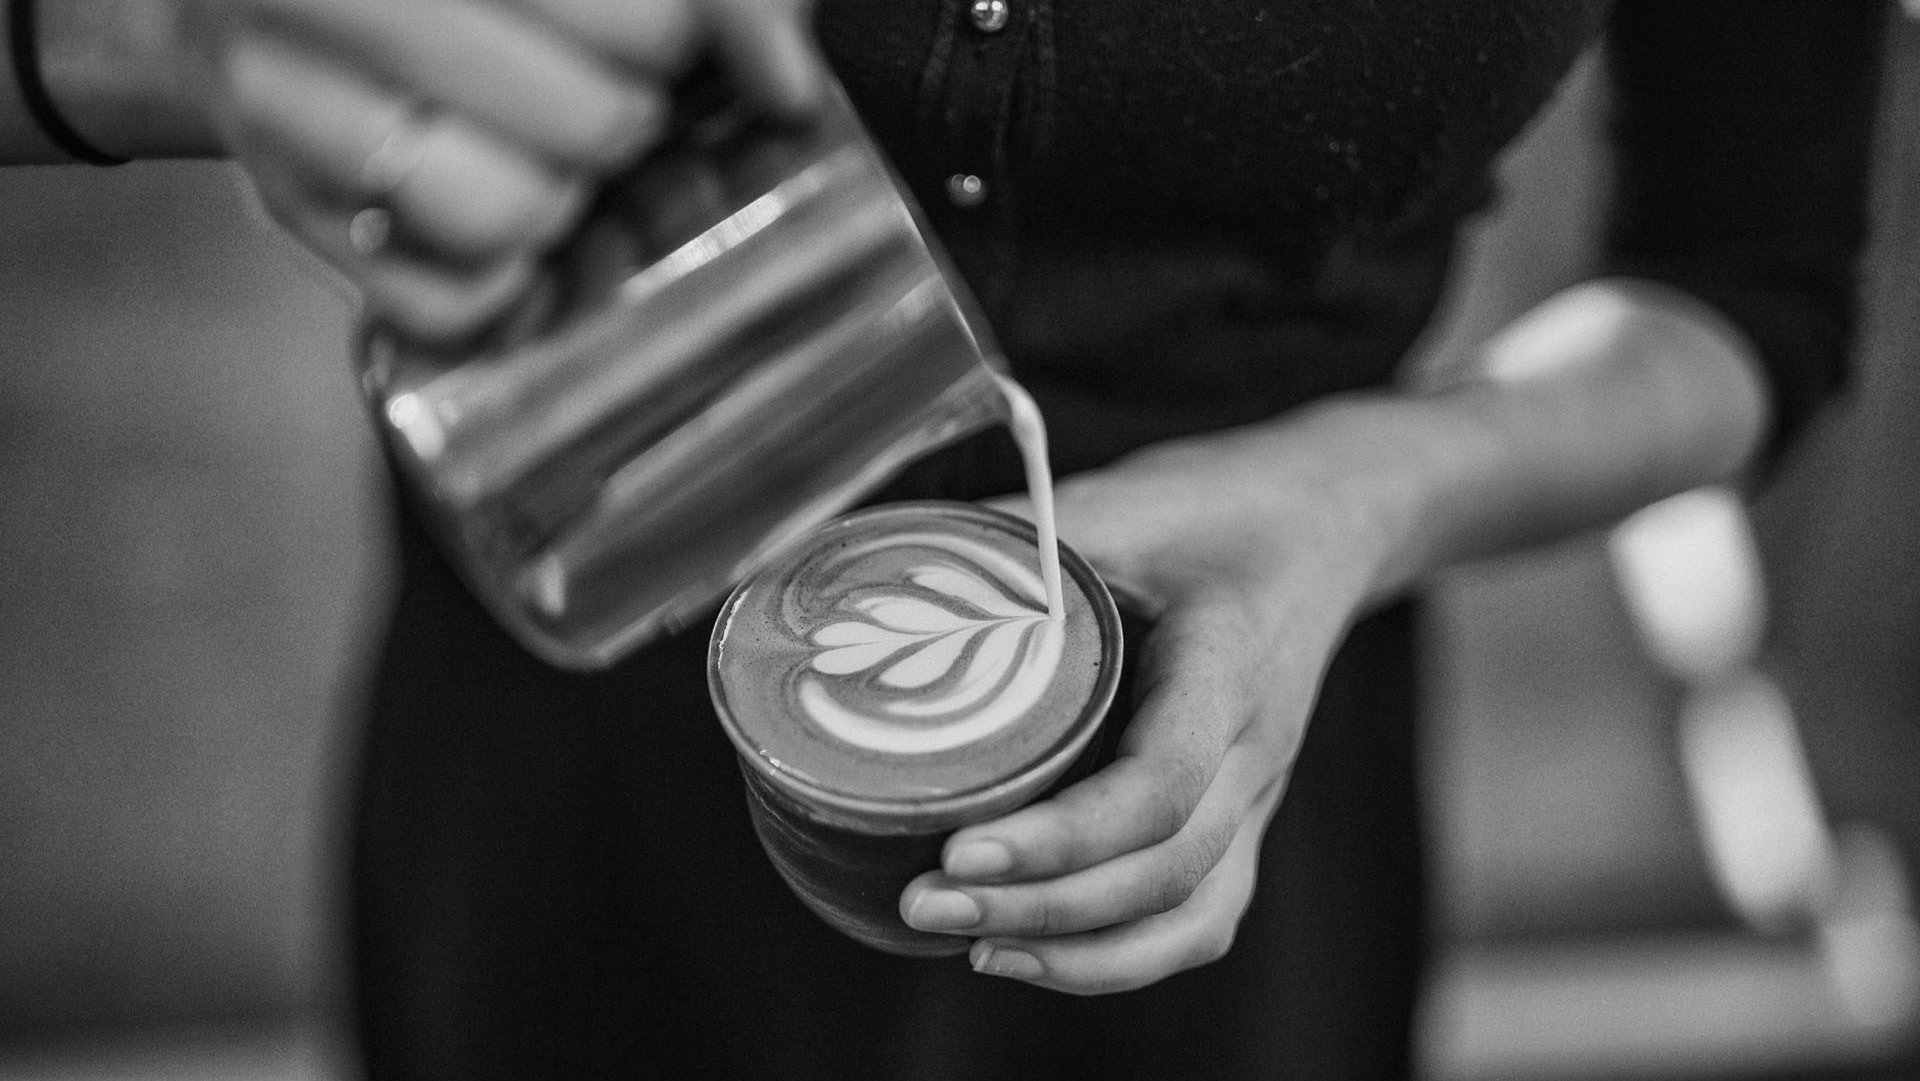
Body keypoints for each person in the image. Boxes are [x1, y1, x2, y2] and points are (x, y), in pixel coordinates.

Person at [4, 0, 1891, 1076]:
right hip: (573, 681)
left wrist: (1355, 495)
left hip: (1226, 750)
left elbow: (1752, 294)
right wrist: (157, 38)